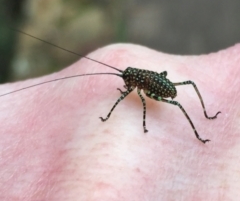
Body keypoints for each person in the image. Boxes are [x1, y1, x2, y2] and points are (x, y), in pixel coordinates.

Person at [0, 43, 239, 200]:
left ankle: (199, 130)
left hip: (162, 88)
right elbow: (133, 89)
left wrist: (138, 120)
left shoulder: (138, 83)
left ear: (131, 77)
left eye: (127, 79)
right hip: (153, 80)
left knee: (178, 99)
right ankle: (203, 121)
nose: (126, 83)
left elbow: (144, 101)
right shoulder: (132, 76)